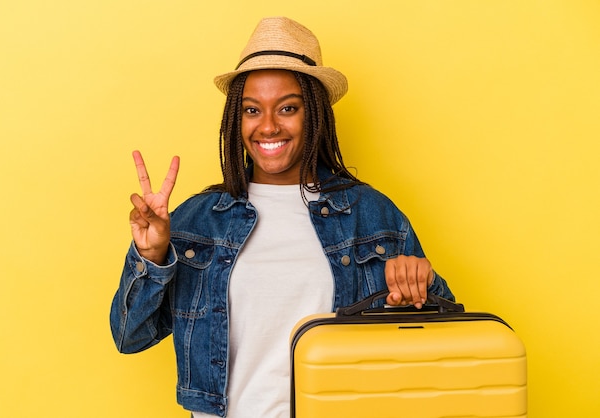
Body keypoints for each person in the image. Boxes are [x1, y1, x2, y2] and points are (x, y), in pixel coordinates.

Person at [110, 16, 455, 418]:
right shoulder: (197, 222)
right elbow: (129, 335)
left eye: (287, 108)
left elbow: (441, 343)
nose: (268, 126)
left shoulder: (371, 216)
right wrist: (150, 258)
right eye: (252, 110)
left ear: (315, 114)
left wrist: (421, 286)